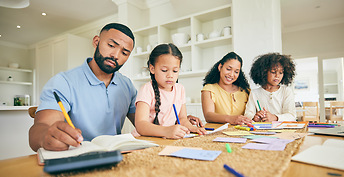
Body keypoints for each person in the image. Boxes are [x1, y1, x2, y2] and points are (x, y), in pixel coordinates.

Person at [29, 23, 204, 152]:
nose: (115, 55)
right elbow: (40, 128)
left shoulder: (126, 85)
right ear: (96, 41)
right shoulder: (63, 82)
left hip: (117, 155)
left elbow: (146, 120)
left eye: (124, 52)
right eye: (111, 45)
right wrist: (46, 136)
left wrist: (179, 119)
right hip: (78, 154)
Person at [133, 43, 207, 139]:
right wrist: (166, 131)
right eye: (164, 70)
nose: (170, 75)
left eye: (175, 71)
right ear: (152, 69)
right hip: (145, 139)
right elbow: (140, 125)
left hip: (167, 139)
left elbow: (182, 118)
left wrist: (193, 128)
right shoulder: (147, 89)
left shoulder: (180, 89)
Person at [201, 52, 252, 125]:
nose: (231, 74)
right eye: (228, 69)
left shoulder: (245, 91)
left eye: (236, 72)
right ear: (220, 67)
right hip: (218, 132)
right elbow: (208, 115)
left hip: (242, 132)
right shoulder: (209, 89)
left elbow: (251, 114)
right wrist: (230, 119)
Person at [244, 52, 296, 122]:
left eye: (281, 72)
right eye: (273, 72)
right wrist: (254, 117)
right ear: (264, 72)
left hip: (283, 130)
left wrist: (275, 117)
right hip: (262, 130)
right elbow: (247, 114)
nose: (277, 76)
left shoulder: (286, 91)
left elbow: (291, 116)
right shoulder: (254, 93)